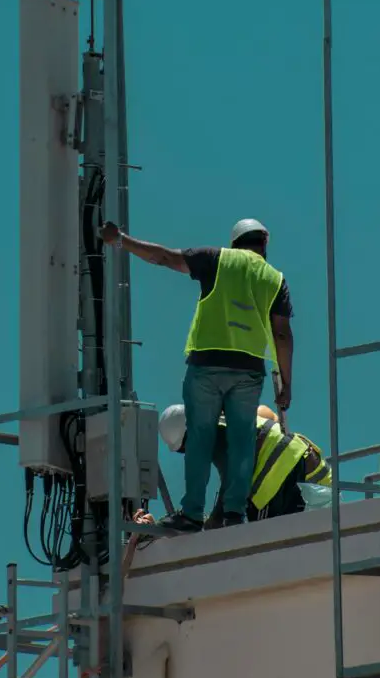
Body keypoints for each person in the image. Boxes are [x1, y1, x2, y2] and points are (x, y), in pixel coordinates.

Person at [99, 217, 294, 532]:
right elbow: (282, 334)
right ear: (264, 243)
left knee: (201, 438)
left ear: (235, 243)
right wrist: (286, 381)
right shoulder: (275, 279)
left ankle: (191, 514)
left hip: (207, 366)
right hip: (248, 371)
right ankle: (235, 514)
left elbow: (163, 257)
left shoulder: (218, 259)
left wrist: (121, 239)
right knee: (241, 442)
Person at [156, 401, 331, 528]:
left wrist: (214, 521)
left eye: (184, 448)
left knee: (265, 541)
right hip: (297, 456)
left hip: (278, 476)